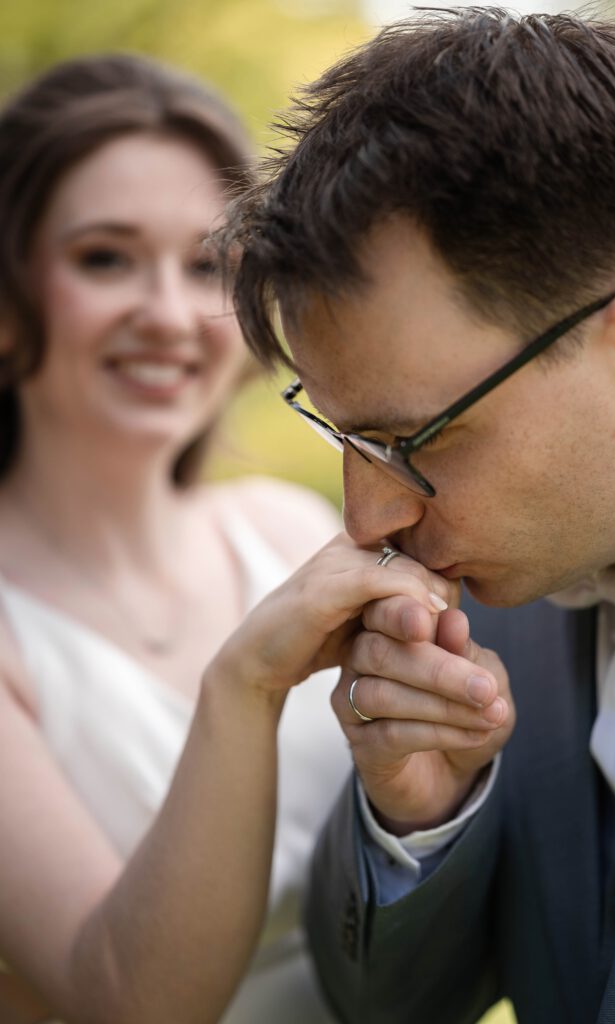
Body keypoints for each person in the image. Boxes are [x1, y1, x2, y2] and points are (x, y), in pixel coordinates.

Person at [224, 7, 615, 1023]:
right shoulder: (486, 615)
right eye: (343, 439)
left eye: (414, 439)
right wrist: (417, 812)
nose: (365, 518)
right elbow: (384, 1007)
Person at [0, 53, 455, 1024]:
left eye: (206, 265)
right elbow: (125, 995)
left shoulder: (295, 531)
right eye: (104, 258)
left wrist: (425, 795)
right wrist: (243, 681)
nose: (167, 315)